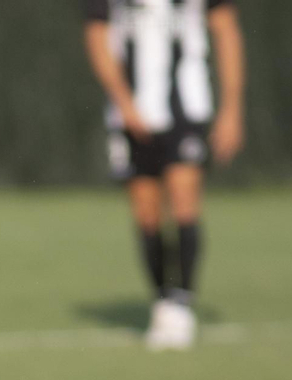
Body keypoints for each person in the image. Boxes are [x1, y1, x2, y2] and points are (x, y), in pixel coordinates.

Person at [83, 0, 245, 350]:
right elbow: (97, 35)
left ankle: (181, 303)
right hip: (130, 113)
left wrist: (232, 107)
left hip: (187, 107)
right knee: (147, 213)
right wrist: (123, 102)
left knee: (185, 201)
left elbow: (226, 30)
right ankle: (162, 301)